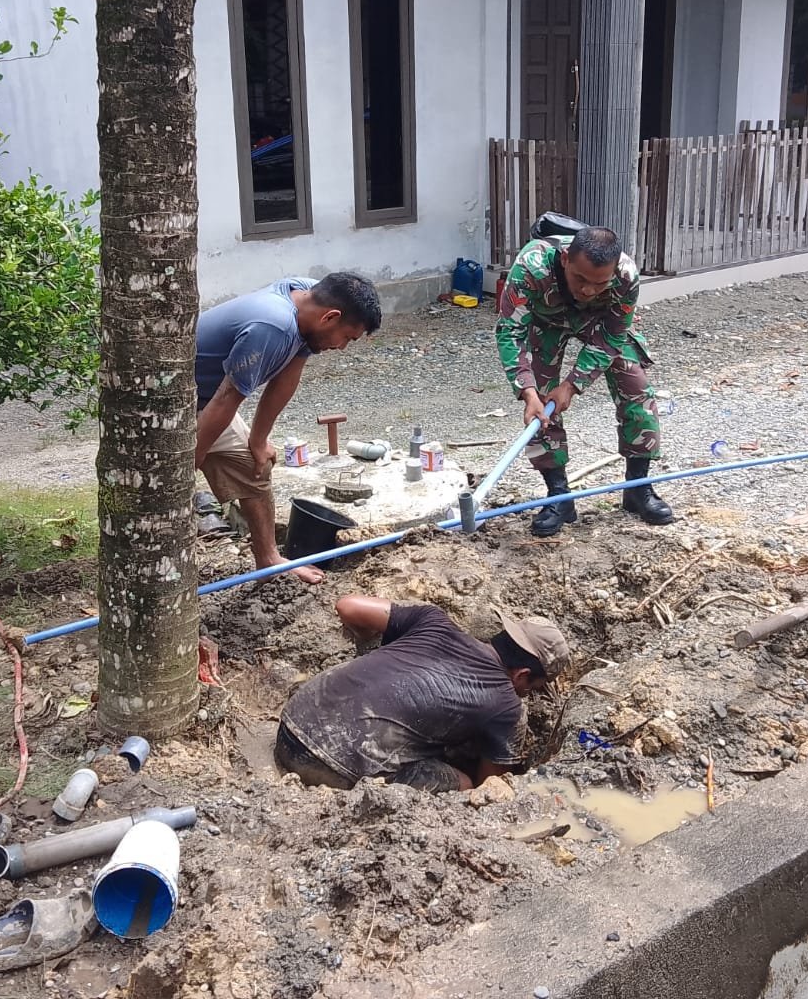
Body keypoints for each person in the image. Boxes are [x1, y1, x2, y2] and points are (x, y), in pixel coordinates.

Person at [195, 272, 381, 583]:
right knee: (164, 492)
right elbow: (227, 399)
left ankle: (268, 558)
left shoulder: (307, 299)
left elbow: (287, 376)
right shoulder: (273, 326)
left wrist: (258, 440)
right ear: (330, 317)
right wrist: (190, 459)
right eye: (347, 337)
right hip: (167, 406)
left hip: (208, 400)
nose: (342, 347)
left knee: (253, 466)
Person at [274, 596, 570, 792]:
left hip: (293, 721)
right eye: (532, 688)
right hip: (329, 763)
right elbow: (490, 786)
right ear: (522, 675)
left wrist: (368, 646)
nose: (526, 695)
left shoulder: (432, 620)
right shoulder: (507, 706)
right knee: (464, 786)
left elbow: (347, 606)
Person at [496, 224, 676, 537]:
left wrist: (572, 384)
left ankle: (638, 488)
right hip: (545, 323)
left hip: (599, 324)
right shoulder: (531, 267)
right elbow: (510, 332)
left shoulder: (626, 275)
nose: (588, 290)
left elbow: (613, 335)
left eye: (599, 283)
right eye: (580, 279)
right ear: (566, 258)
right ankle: (559, 497)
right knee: (542, 407)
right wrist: (528, 392)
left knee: (636, 389)